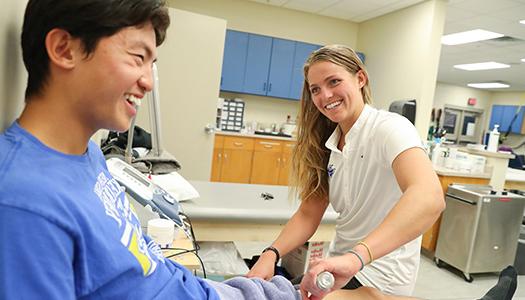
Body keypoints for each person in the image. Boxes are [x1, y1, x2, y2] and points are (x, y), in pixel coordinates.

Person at [0, 0, 303, 299]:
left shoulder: (87, 154)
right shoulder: (24, 202)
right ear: (65, 49)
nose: (148, 82)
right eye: (136, 57)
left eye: (151, 65)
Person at [247, 44, 446, 299]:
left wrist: (356, 258)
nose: (325, 95)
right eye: (315, 89)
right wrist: (270, 254)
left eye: (334, 81)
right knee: (266, 292)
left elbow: (429, 197)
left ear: (360, 78)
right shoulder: (329, 143)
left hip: (380, 273)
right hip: (339, 267)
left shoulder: (390, 128)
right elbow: (309, 213)